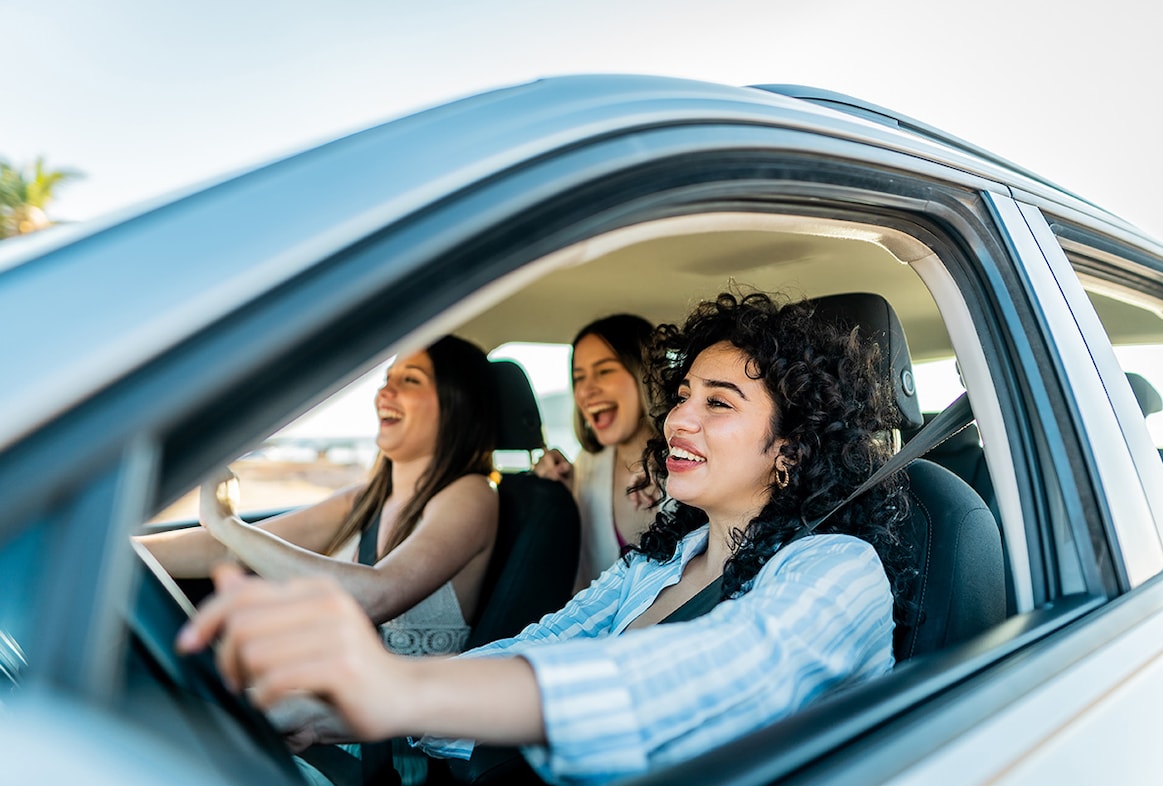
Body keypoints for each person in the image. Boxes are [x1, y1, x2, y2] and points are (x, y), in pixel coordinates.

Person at [178, 292, 911, 786]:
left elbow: (725, 673)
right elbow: (540, 648)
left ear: (791, 449)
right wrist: (338, 707)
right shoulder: (657, 564)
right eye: (683, 395)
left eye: (718, 403)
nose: (679, 419)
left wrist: (400, 688)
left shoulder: (841, 572)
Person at [141, 335, 499, 784]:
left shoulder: (471, 495)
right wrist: (124, 551)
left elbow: (377, 593)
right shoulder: (366, 499)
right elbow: (228, 549)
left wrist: (228, 524)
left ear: (458, 403)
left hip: (385, 750)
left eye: (410, 380)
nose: (384, 393)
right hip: (315, 719)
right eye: (386, 379)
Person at [534, 314, 659, 590]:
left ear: (645, 374)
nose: (586, 390)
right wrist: (561, 498)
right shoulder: (586, 466)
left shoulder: (691, 462)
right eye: (578, 378)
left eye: (604, 371)